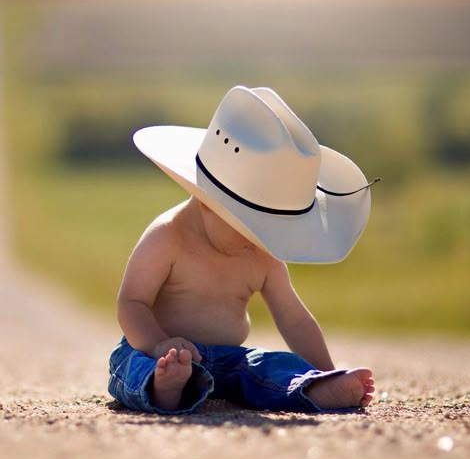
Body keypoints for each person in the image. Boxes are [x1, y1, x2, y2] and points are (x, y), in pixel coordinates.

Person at [108, 85, 378, 415]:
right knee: (134, 366)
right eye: (251, 227)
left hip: (228, 359)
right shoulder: (167, 237)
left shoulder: (263, 254)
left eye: (269, 230)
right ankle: (167, 388)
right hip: (155, 349)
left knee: (271, 365)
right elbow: (132, 303)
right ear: (207, 202)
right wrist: (159, 343)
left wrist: (324, 370)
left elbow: (294, 319)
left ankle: (314, 388)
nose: (260, 241)